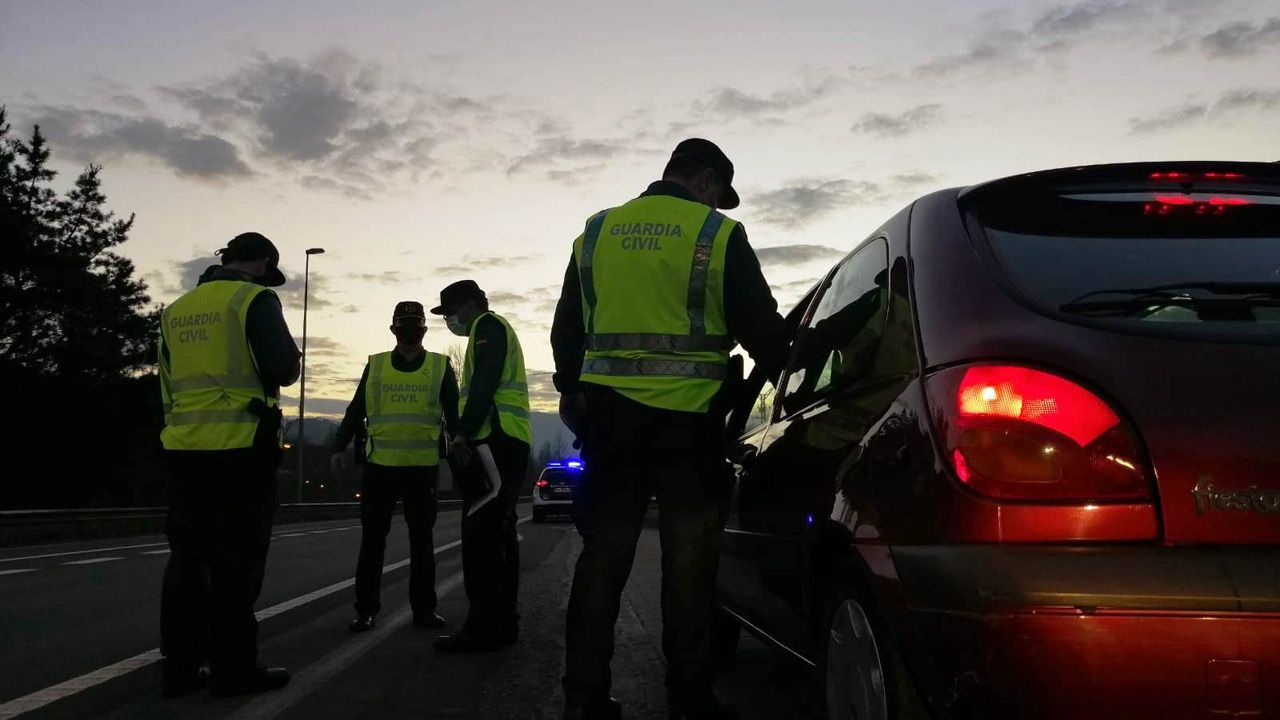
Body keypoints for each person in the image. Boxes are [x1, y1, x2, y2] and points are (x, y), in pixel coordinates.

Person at [551, 139, 790, 719]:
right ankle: (689, 700)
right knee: (689, 568)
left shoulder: (597, 232)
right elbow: (766, 337)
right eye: (720, 194)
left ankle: (583, 700)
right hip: (691, 428)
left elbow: (566, 330)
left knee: (603, 561)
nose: (721, 205)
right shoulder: (717, 235)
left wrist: (573, 393)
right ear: (706, 181)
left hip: (611, 427)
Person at [157, 232, 300, 698]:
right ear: (259, 263)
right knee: (236, 564)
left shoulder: (176, 310)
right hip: (242, 448)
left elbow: (167, 386)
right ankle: (233, 670)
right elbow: (283, 368)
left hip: (184, 449)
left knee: (186, 561)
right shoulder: (252, 301)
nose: (269, 282)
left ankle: (179, 670)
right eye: (269, 273)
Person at [333, 301, 458, 633]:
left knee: (422, 542)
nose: (409, 333)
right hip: (380, 467)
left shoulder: (440, 366)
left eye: (414, 327)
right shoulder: (375, 366)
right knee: (373, 542)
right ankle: (366, 610)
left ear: (423, 331)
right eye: (404, 327)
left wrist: (462, 444)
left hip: (421, 468)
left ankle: (424, 609)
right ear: (393, 330)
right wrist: (338, 446)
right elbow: (356, 408)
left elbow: (455, 416)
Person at [429, 280, 532, 653]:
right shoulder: (493, 329)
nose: (449, 320)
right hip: (509, 440)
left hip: (494, 439)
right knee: (500, 534)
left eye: (451, 311)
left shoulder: (488, 328)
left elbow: (485, 382)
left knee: (481, 538)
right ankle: (503, 622)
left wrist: (463, 432)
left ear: (471, 304)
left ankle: (483, 626)